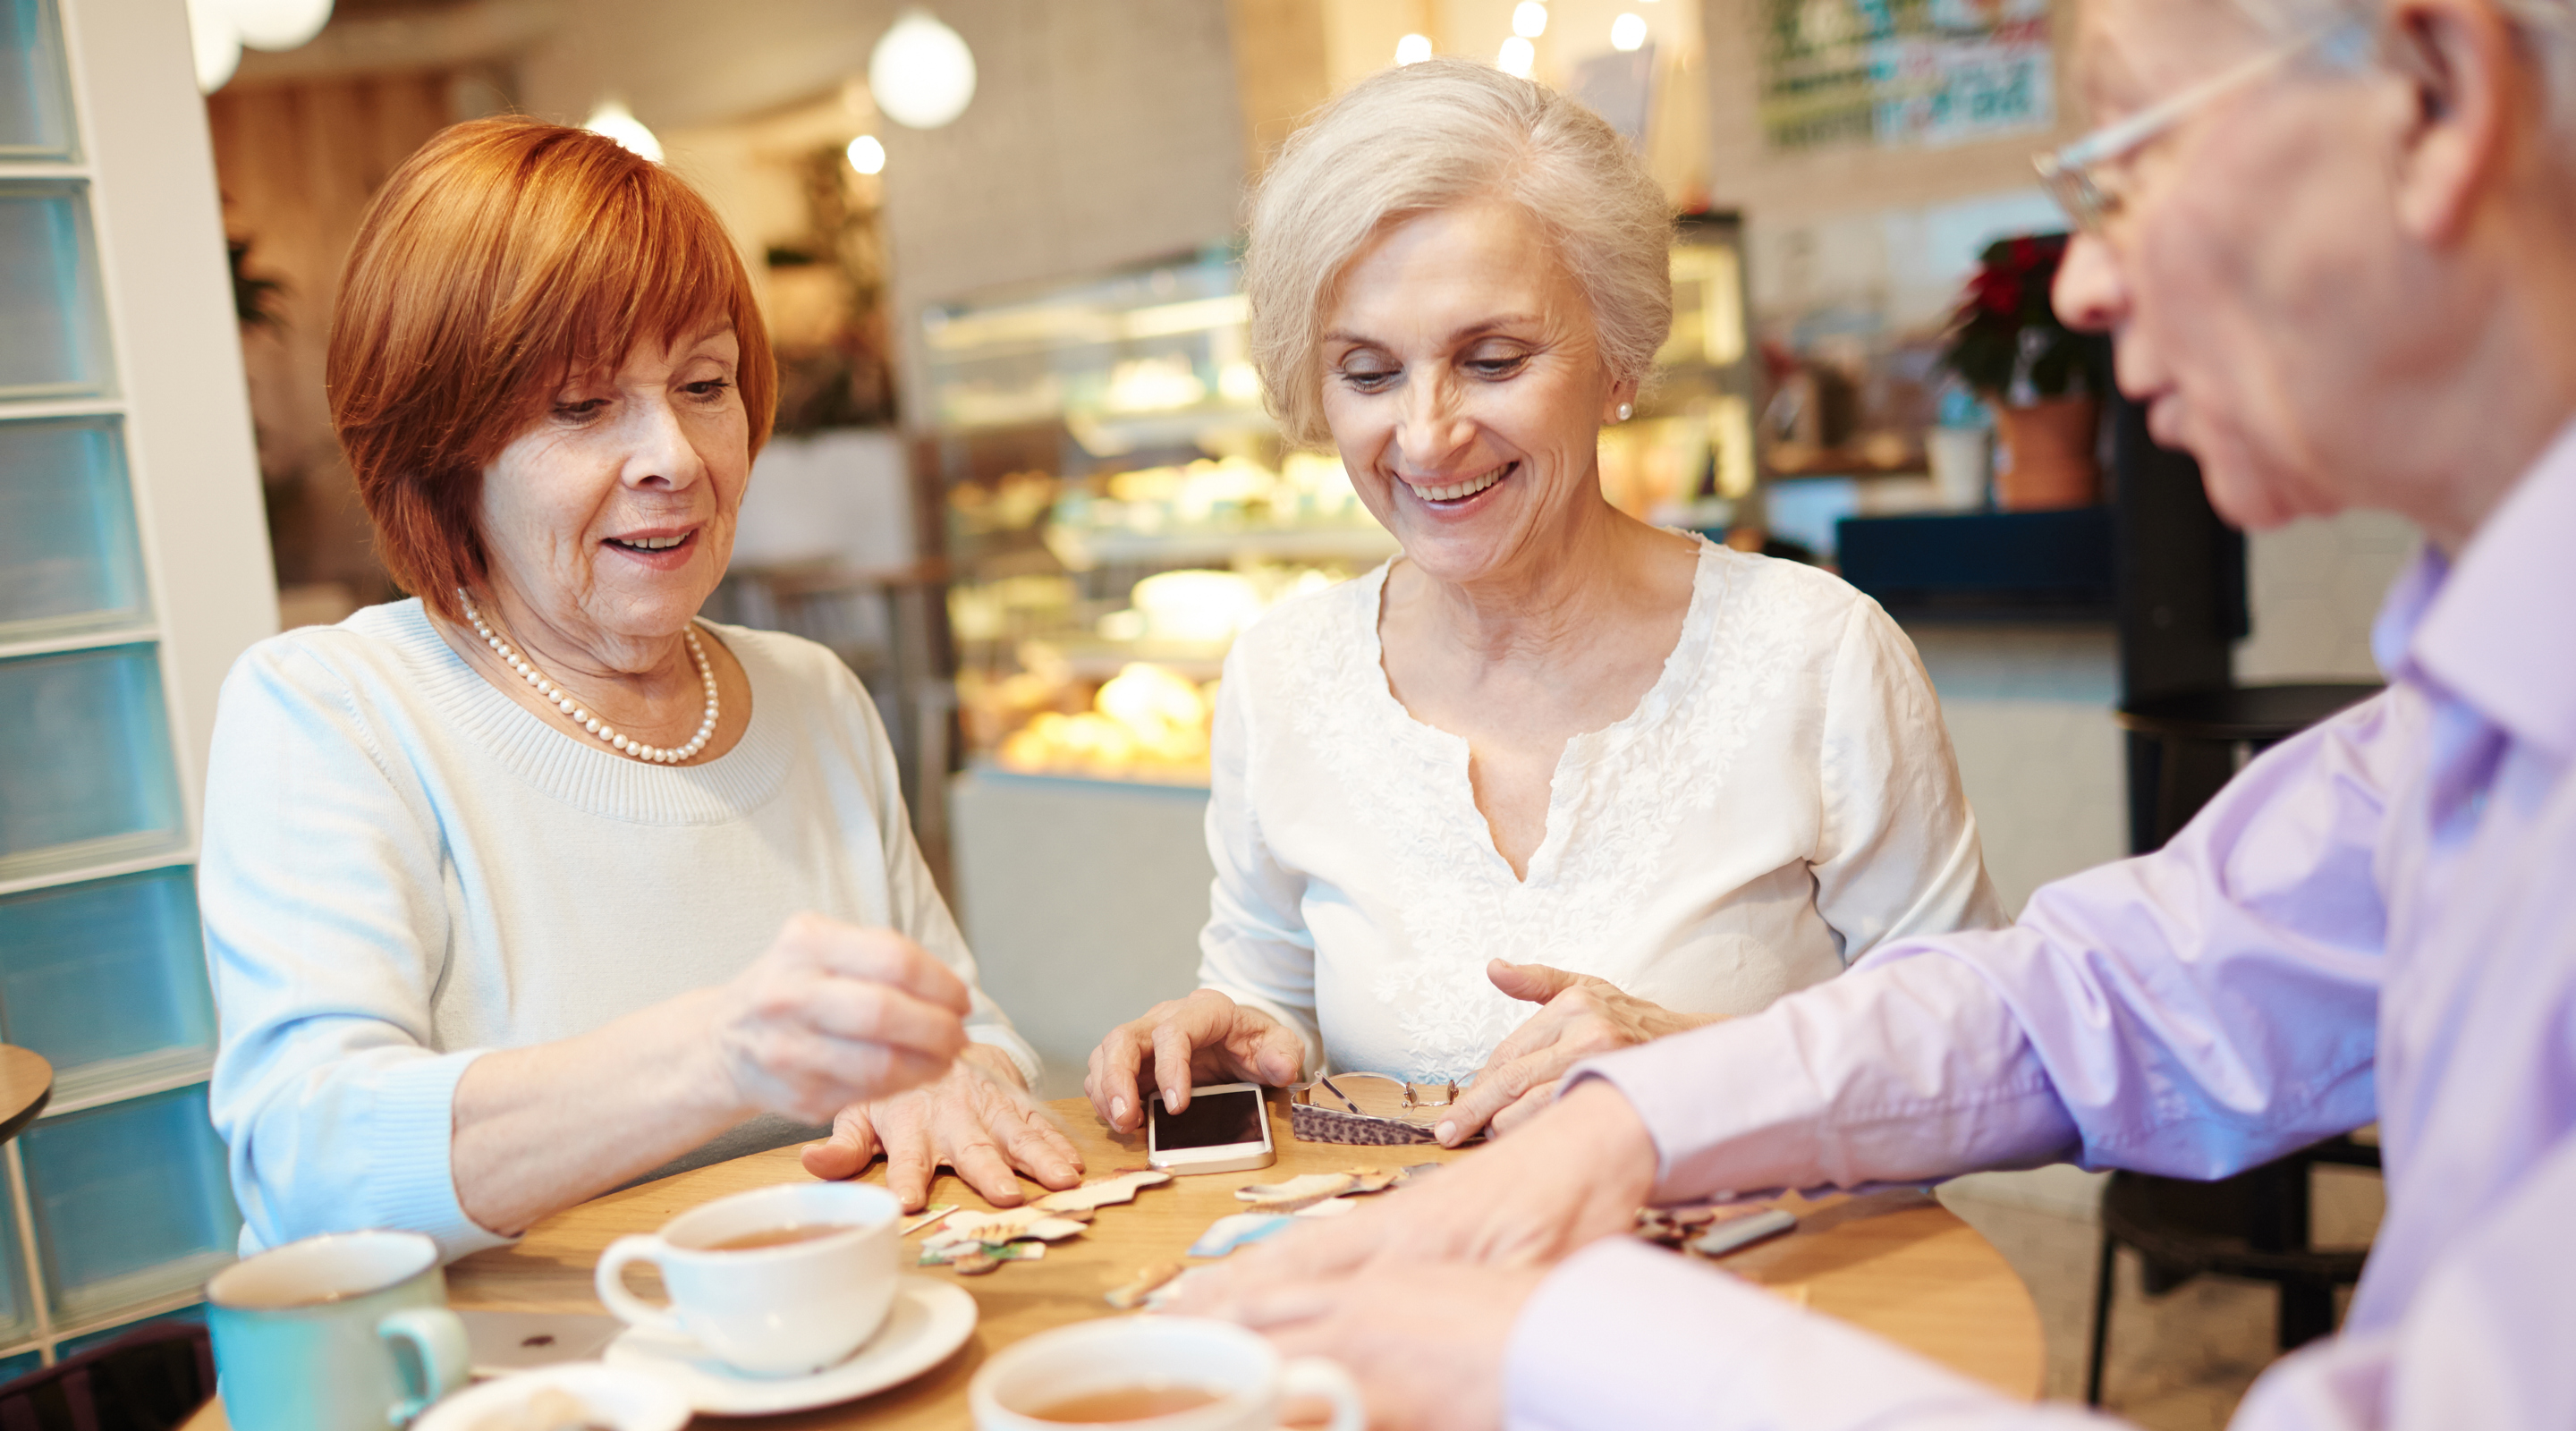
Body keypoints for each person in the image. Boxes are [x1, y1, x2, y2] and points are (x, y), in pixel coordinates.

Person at [1176, 0, 2576, 1426]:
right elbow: (2100, 996)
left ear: (2440, 94)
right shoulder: (2473, 705)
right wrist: (1641, 1121)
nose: (2083, 284)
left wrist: (1566, 1347)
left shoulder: (1812, 646)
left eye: (2130, 168)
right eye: (1368, 370)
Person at [203, 117, 1080, 1258]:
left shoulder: (812, 695)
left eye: (704, 383)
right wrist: (720, 1054)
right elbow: (308, 1163)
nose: (674, 453)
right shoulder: (334, 709)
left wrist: (949, 1077)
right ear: (442, 446)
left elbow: (972, 1037)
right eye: (581, 407)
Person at [1084, 58, 2003, 1146]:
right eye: (1369, 374)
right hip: (1428, 1290)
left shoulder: (1819, 654)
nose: (1426, 436)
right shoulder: (1284, 676)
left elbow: (1981, 1054)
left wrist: (1698, 1059)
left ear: (1619, 354)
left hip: (1762, 1287)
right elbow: (1269, 995)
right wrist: (1228, 1031)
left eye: (1493, 359)